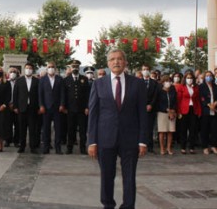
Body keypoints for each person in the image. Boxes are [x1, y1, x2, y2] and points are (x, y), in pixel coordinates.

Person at [88, 49, 147, 209]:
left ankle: (128, 206)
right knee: (106, 176)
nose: (116, 62)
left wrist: (143, 140)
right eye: (112, 59)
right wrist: (92, 141)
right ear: (108, 64)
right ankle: (108, 204)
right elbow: (93, 114)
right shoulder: (98, 84)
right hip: (105, 138)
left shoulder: (138, 84)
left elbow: (142, 114)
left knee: (129, 177)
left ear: (125, 62)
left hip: (130, 139)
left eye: (120, 59)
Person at [12, 62, 41, 154]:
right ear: (24, 69)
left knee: (32, 128)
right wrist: (15, 106)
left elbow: (39, 95)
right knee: (22, 128)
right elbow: (15, 94)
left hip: (33, 108)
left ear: (32, 70)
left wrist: (40, 106)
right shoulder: (19, 80)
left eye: (30, 68)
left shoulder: (37, 81)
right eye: (27, 68)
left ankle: (33, 147)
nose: (28, 69)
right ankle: (22, 146)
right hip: (21, 108)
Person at [38, 61, 66, 154]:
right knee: (46, 129)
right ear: (46, 68)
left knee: (58, 129)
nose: (51, 68)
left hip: (57, 108)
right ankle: (46, 147)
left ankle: (58, 148)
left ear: (55, 68)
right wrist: (41, 105)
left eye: (52, 67)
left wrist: (62, 104)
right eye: (49, 67)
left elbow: (63, 93)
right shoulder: (42, 80)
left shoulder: (60, 79)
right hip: (46, 108)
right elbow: (40, 94)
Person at [64, 60, 90, 155]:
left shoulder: (84, 79)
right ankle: (69, 148)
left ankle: (83, 148)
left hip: (82, 110)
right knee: (71, 129)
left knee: (83, 131)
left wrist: (87, 107)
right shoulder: (66, 80)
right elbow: (64, 95)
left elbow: (88, 94)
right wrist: (64, 106)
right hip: (70, 110)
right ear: (70, 68)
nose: (75, 68)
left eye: (76, 66)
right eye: (73, 66)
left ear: (79, 68)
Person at [176, 71, 200, 154]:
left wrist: (199, 111)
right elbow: (178, 100)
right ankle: (183, 147)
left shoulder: (196, 87)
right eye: (188, 78)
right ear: (185, 79)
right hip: (184, 110)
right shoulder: (181, 87)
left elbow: (197, 100)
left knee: (192, 129)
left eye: (191, 78)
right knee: (183, 129)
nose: (189, 79)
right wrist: (178, 111)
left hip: (193, 109)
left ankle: (191, 147)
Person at [199, 70, 217, 155]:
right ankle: (205, 147)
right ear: (205, 77)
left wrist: (215, 103)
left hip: (215, 110)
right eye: (207, 75)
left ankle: (213, 146)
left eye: (210, 75)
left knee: (214, 129)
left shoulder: (215, 86)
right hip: (206, 111)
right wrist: (209, 105)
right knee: (205, 129)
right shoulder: (201, 86)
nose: (209, 77)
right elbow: (201, 97)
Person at [141, 65, 159, 154]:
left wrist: (150, 105)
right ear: (141, 71)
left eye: (147, 69)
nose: (146, 71)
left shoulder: (154, 83)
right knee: (140, 127)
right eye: (144, 69)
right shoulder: (138, 82)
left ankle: (150, 146)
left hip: (151, 108)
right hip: (140, 108)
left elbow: (155, 96)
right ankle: (140, 145)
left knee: (150, 128)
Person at [156, 75, 176, 155]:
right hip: (162, 113)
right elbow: (158, 103)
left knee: (170, 131)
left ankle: (168, 148)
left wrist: (173, 110)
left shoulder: (172, 91)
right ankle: (162, 148)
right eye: (166, 81)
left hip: (172, 113)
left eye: (169, 81)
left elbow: (175, 101)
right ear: (163, 82)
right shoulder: (160, 91)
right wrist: (167, 110)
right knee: (162, 131)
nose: (168, 83)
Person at [5, 67, 19, 148]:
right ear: (8, 73)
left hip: (17, 107)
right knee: (8, 124)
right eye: (11, 71)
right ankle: (8, 140)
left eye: (14, 71)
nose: (13, 73)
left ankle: (16, 141)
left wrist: (15, 105)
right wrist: (8, 104)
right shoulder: (6, 82)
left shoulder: (19, 82)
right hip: (7, 106)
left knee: (17, 125)